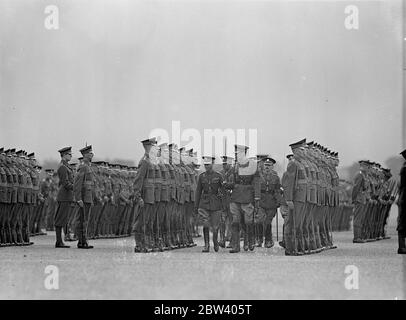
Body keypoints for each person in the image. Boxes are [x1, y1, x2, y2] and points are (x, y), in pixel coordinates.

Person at [226, 144, 260, 253]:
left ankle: (249, 240)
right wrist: (227, 184)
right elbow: (233, 182)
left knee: (248, 222)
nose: (236, 155)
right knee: (235, 222)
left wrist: (257, 197)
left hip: (247, 197)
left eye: (238, 153)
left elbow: (257, 182)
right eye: (235, 153)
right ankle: (236, 246)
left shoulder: (252, 165)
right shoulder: (234, 166)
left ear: (244, 153)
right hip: (235, 197)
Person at [195, 156, 224, 252]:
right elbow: (198, 191)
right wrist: (196, 206)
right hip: (205, 203)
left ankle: (215, 241)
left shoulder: (218, 176)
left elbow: (223, 190)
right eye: (205, 165)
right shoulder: (201, 176)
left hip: (216, 204)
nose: (207, 167)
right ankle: (206, 244)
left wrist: (223, 204)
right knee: (206, 224)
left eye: (209, 165)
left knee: (215, 227)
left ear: (212, 165)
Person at [73, 145, 97, 249]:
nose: (92, 155)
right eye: (90, 153)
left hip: (88, 197)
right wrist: (78, 199)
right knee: (82, 219)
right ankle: (81, 241)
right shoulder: (83, 166)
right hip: (84, 197)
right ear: (85, 155)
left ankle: (84, 240)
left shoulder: (88, 166)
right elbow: (77, 184)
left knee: (85, 219)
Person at [54, 146, 74, 248]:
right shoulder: (62, 167)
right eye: (69, 154)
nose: (71, 156)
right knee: (60, 219)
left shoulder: (66, 166)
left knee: (63, 218)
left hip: (67, 196)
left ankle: (60, 241)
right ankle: (58, 241)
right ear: (64, 155)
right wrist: (75, 187)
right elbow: (65, 182)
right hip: (64, 196)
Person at [397, 149, 406, 254]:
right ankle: (402, 246)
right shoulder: (405, 169)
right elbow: (403, 185)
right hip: (405, 198)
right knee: (403, 222)